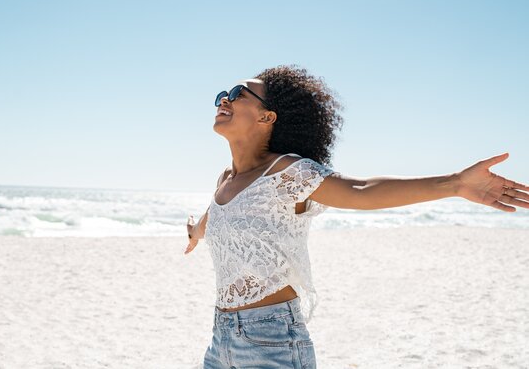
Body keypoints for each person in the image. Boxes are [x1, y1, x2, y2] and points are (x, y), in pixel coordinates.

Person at [184, 64, 529, 369]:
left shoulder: (288, 172)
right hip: (220, 340)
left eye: (236, 94)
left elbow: (360, 190)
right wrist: (194, 232)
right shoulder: (226, 180)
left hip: (270, 340)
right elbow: (214, 218)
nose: (223, 100)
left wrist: (454, 184)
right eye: (221, 95)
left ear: (267, 116)